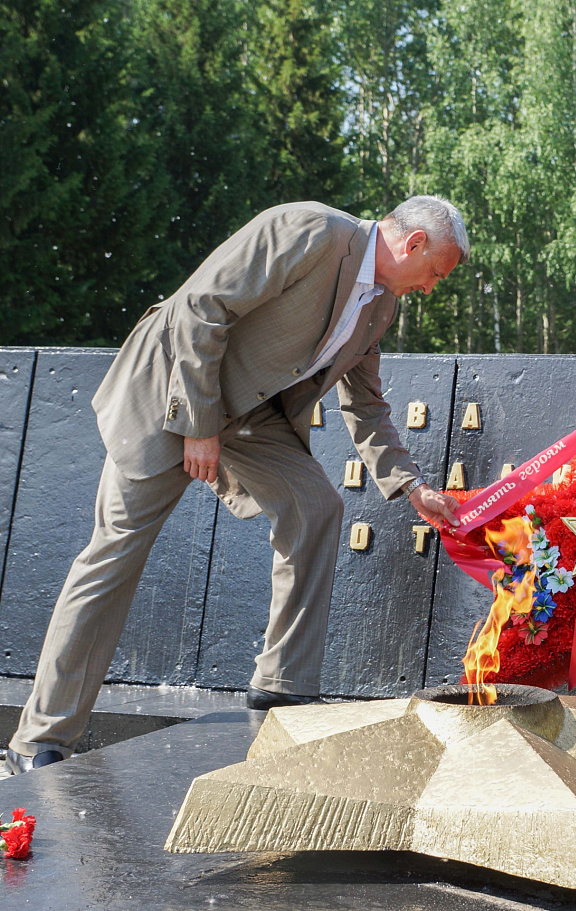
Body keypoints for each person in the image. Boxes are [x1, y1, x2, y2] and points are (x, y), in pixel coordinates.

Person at [5, 195, 466, 774]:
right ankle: (39, 740)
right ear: (414, 244)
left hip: (249, 416)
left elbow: (366, 405)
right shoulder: (311, 230)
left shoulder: (379, 309)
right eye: (435, 274)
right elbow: (200, 307)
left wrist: (412, 487)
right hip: (173, 389)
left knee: (316, 506)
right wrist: (197, 426)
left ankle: (282, 688)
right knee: (113, 554)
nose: (431, 287)